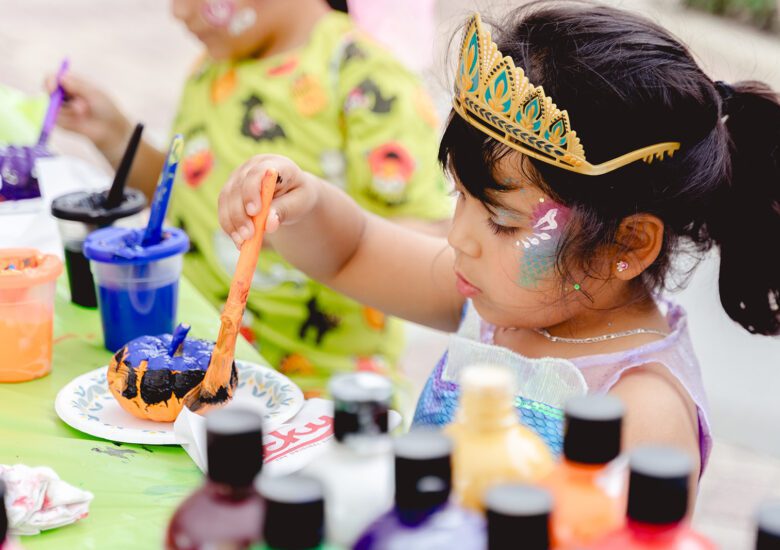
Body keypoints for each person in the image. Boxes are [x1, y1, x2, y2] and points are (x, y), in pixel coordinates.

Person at [217, 1, 780, 483]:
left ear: (627, 245)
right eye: (460, 196)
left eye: (505, 223)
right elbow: (355, 252)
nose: (460, 237)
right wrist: (303, 204)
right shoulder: (506, 299)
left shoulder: (640, 409)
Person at [48, 0, 452, 398]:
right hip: (194, 360)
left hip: (319, 389)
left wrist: (310, 226)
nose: (178, 11)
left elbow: (427, 243)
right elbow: (186, 196)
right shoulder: (214, 66)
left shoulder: (366, 77)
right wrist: (115, 134)